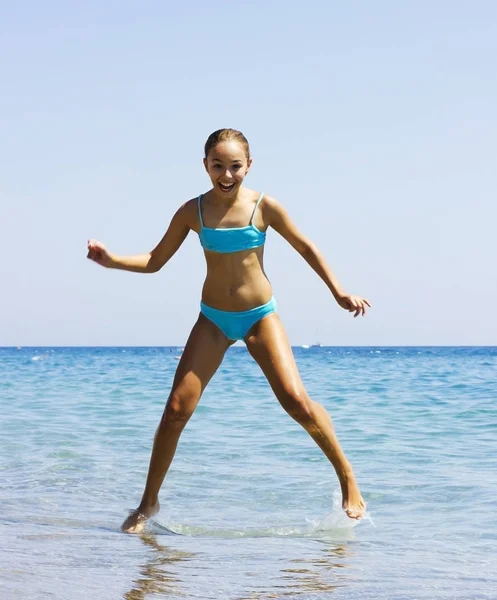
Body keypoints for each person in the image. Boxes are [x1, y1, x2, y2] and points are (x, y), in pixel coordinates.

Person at [87, 128, 371, 534]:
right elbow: (154, 260)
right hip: (214, 319)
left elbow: (306, 247)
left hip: (259, 316)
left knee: (295, 401)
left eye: (235, 166)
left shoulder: (264, 206)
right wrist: (110, 259)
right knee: (175, 410)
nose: (226, 175)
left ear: (249, 166)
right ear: (205, 165)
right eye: (217, 166)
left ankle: (348, 479)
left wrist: (339, 292)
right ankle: (148, 503)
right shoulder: (193, 211)